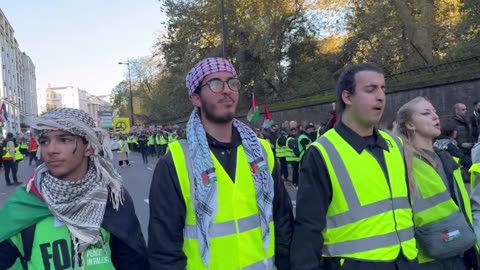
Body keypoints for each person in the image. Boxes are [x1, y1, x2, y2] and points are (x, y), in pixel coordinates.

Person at [148, 57, 293, 270]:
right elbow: (164, 249)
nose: (227, 90)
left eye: (232, 83)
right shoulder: (177, 161)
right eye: (215, 84)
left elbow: (283, 225)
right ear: (196, 98)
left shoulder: (261, 151)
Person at [291, 63, 417, 269]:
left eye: (383, 89)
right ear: (347, 97)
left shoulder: (395, 144)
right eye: (370, 89)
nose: (380, 96)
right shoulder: (322, 152)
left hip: (406, 261)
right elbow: (308, 229)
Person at [0, 108, 148, 269]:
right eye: (44, 141)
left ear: (89, 147)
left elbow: (133, 262)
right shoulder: (25, 202)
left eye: (64, 140)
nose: (51, 150)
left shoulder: (113, 198)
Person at [394, 97, 478, 269]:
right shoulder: (401, 162)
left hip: (461, 249)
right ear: (410, 124)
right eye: (426, 113)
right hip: (426, 259)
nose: (435, 117)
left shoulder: (447, 159)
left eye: (435, 112)